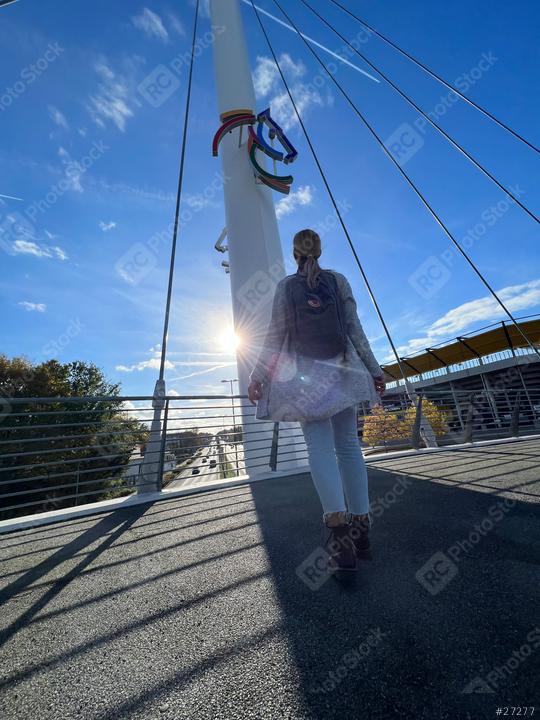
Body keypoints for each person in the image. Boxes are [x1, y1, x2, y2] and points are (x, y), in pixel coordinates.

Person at [247, 228, 385, 572]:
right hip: (344, 370)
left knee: (320, 450)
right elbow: (355, 329)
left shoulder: (286, 287)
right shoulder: (339, 282)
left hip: (305, 377)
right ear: (320, 251)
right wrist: (375, 370)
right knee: (350, 447)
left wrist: (258, 375)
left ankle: (341, 540)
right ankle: (362, 530)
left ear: (295, 254)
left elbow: (275, 335)